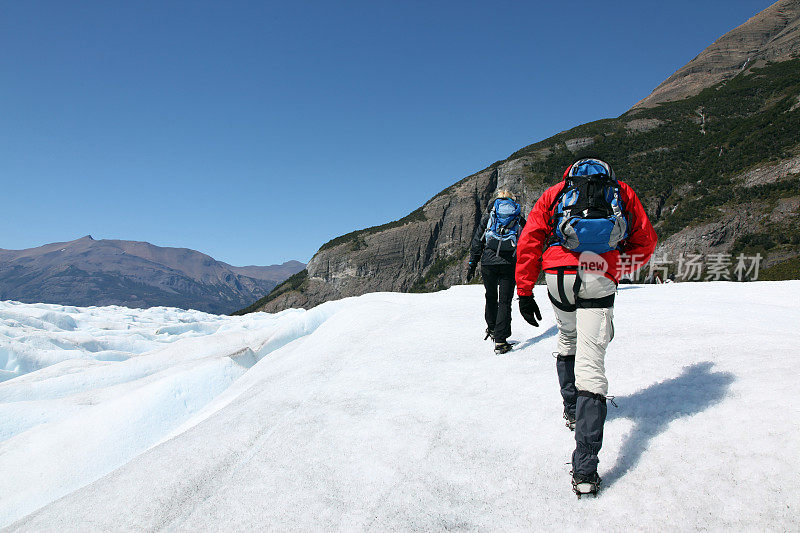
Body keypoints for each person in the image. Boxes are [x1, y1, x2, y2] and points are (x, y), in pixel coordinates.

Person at [514, 158, 656, 496]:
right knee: (592, 365)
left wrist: (524, 290)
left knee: (567, 339)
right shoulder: (621, 192)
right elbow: (646, 241)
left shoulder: (554, 194)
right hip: (599, 274)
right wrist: (616, 266)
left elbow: (530, 240)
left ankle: (571, 410)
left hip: (557, 276)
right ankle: (585, 470)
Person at [467, 190, 526, 354]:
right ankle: (501, 340)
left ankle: (492, 329)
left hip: (488, 263)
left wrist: (472, 264)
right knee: (505, 302)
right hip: (508, 263)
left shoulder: (489, 217)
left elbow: (478, 241)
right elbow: (528, 239)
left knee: (490, 296)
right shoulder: (517, 217)